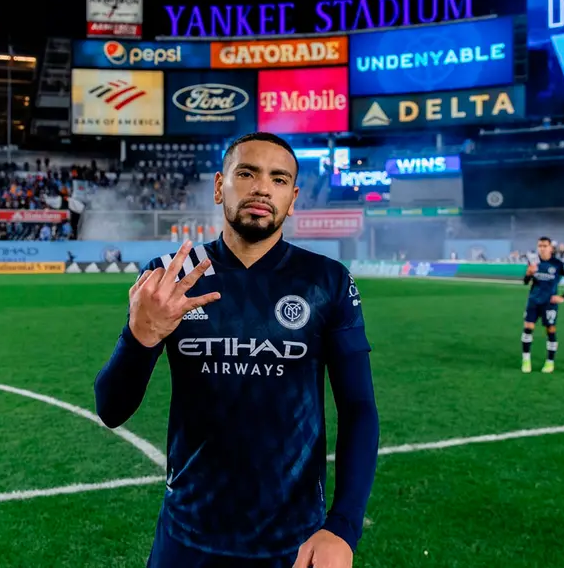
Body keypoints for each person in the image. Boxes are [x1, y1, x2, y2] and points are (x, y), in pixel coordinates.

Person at [94, 132, 380, 568]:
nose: (262, 187)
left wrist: (343, 526)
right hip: (186, 537)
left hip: (296, 543)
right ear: (218, 185)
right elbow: (111, 409)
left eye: (278, 178)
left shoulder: (327, 281)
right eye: (246, 173)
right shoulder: (173, 276)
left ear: (293, 196)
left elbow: (358, 407)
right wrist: (139, 337)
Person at [521, 237, 564, 373]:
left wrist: (563, 297)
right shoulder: (534, 263)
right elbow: (526, 282)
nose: (542, 248)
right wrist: (528, 274)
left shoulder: (558, 264)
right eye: (540, 245)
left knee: (550, 330)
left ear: (551, 248)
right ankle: (526, 360)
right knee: (528, 328)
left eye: (545, 245)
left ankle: (550, 362)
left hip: (549, 303)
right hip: (533, 301)